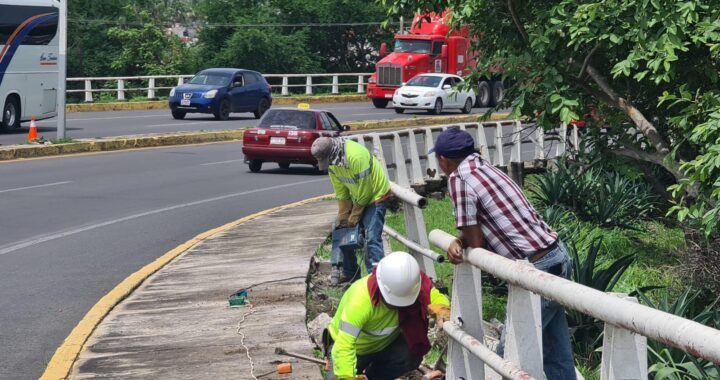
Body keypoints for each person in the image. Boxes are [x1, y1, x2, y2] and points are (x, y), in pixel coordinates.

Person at [430, 128, 577, 380]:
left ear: (443, 160)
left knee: (508, 354)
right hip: (556, 255)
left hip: (536, 268)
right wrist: (460, 239)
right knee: (555, 353)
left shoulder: (459, 179)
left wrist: (461, 240)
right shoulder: (487, 169)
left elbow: (476, 241)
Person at [324, 252, 450, 380]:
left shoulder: (414, 286)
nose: (399, 306)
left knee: (410, 353)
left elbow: (431, 294)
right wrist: (348, 377)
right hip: (355, 350)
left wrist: (442, 308)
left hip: (383, 346)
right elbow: (344, 345)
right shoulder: (360, 300)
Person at [312, 137, 392, 284]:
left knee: (371, 236)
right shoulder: (333, 164)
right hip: (358, 196)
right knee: (343, 233)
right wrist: (343, 215)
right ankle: (350, 274)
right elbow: (341, 191)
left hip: (376, 196)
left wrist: (355, 215)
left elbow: (366, 191)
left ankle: (376, 278)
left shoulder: (356, 156)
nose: (326, 164)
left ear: (333, 152)